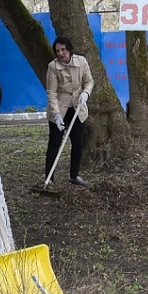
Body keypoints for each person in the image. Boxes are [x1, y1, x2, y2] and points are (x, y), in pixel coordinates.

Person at [44, 37, 95, 186]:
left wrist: (85, 93)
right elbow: (51, 93)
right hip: (60, 108)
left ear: (69, 49)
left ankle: (74, 175)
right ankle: (49, 178)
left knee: (78, 142)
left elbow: (89, 81)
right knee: (55, 143)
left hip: (78, 108)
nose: (61, 53)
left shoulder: (82, 61)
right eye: (58, 50)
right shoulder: (52, 67)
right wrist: (57, 115)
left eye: (63, 50)